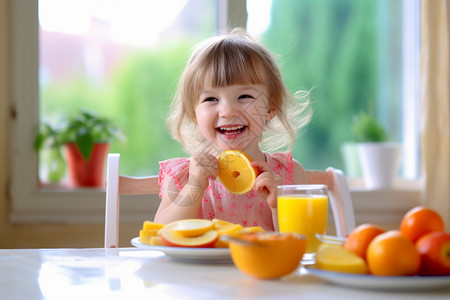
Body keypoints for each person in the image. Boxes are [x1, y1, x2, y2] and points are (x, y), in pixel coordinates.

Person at [154, 29, 312, 231]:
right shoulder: (183, 175)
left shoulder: (288, 175)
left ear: (271, 106)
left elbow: (302, 243)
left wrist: (279, 206)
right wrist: (194, 188)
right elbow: (158, 235)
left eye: (244, 96)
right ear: (194, 113)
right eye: (211, 99)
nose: (227, 111)